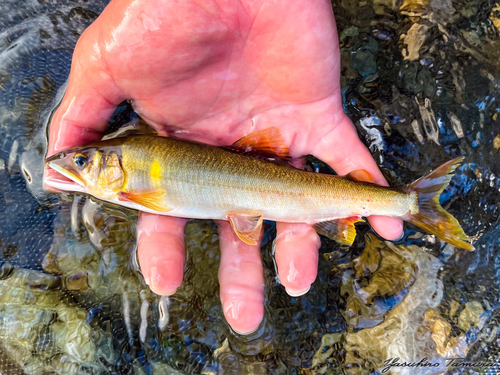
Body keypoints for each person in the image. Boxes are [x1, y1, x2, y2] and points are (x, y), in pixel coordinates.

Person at [44, 0, 403, 335]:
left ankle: (404, 203)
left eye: (82, 160)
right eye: (80, 160)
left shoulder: (132, 186)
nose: (71, 162)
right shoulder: (129, 166)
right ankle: (403, 204)